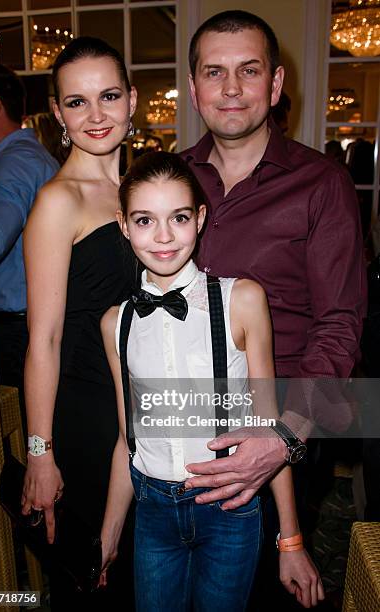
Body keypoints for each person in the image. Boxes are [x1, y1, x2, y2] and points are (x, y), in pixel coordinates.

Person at [99, 151, 324, 611]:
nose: (163, 237)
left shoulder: (241, 300)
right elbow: (129, 439)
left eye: (178, 217)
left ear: (200, 219)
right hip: (152, 509)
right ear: (123, 225)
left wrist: (292, 540)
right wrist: (109, 535)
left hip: (228, 511)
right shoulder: (115, 323)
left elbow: (270, 428)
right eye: (144, 220)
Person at [178, 9, 366, 509]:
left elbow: (339, 323)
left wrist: (284, 436)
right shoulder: (167, 181)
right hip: (178, 417)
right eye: (214, 72)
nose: (232, 88)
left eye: (250, 69)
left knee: (268, 580)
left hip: (279, 428)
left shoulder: (323, 184)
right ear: (194, 87)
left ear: (276, 82)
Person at [21, 37, 137, 610]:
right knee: (93, 576)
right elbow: (41, 339)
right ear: (59, 115)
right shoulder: (57, 201)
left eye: (108, 96)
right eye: (77, 102)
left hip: (139, 408)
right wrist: (41, 452)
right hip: (87, 416)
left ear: (133, 101)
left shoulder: (140, 190)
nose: (95, 115)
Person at [0, 59, 59, 409]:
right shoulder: (28, 155)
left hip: (19, 327)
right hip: (30, 319)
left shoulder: (15, 162)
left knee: (16, 428)